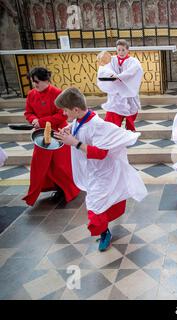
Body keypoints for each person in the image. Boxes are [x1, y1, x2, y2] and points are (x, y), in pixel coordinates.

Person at [54, 87, 147, 252]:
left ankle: (104, 233)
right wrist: (70, 128)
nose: (63, 113)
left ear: (75, 110)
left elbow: (100, 153)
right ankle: (104, 229)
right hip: (93, 172)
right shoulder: (80, 119)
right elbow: (80, 127)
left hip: (104, 172)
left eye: (65, 110)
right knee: (97, 203)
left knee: (94, 206)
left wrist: (74, 142)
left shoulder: (97, 126)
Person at [22, 67, 80, 206]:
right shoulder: (31, 94)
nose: (35, 84)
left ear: (46, 80)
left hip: (59, 133)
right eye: (33, 81)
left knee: (61, 166)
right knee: (40, 166)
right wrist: (33, 119)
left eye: (37, 81)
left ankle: (65, 191)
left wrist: (40, 121)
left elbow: (62, 114)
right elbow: (28, 112)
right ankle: (53, 189)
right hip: (41, 135)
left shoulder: (57, 93)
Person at [97, 39, 143, 131]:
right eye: (119, 50)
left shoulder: (133, 61)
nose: (121, 52)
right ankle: (113, 131)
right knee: (114, 114)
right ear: (116, 50)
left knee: (130, 111)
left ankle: (129, 131)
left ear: (127, 50)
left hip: (128, 92)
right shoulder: (112, 59)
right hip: (116, 94)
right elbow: (104, 69)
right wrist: (111, 74)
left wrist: (119, 77)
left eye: (123, 50)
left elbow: (133, 71)